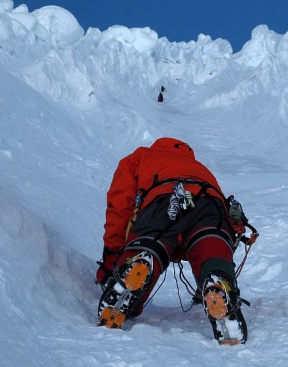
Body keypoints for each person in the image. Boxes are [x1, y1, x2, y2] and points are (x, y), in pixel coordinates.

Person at [95, 137, 249, 345]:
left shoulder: (142, 156)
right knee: (209, 246)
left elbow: (120, 205)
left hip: (163, 199)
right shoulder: (198, 167)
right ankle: (217, 281)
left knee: (152, 243)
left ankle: (139, 264)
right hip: (209, 204)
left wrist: (112, 256)